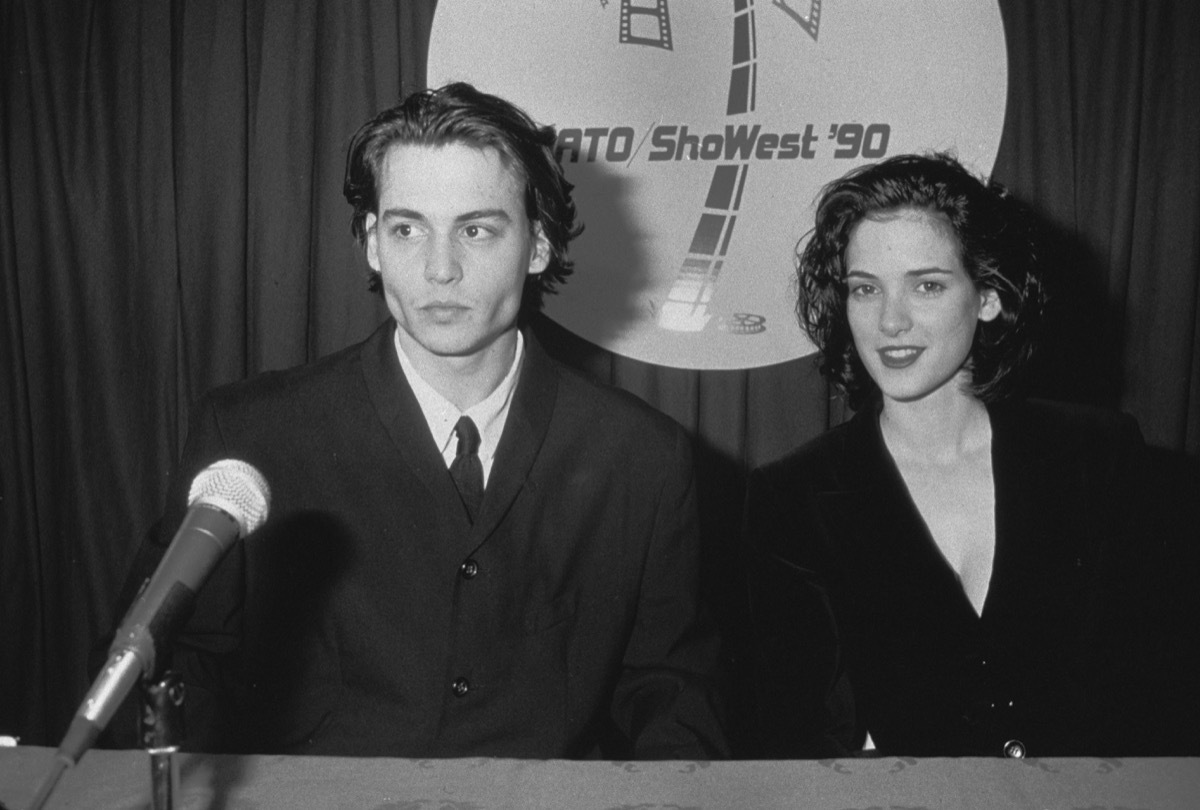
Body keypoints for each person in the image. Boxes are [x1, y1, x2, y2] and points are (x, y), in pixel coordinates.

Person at [125, 82, 727, 759]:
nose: (440, 269)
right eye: (407, 229)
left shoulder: (643, 456)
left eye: (476, 229)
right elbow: (170, 665)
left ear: (538, 246)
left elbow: (676, 696)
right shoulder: (251, 434)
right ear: (373, 245)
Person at [743, 152, 1174, 758]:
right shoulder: (791, 498)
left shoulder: (1099, 456)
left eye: (927, 285)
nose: (890, 320)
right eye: (865, 289)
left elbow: (1155, 696)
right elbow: (799, 745)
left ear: (989, 296)